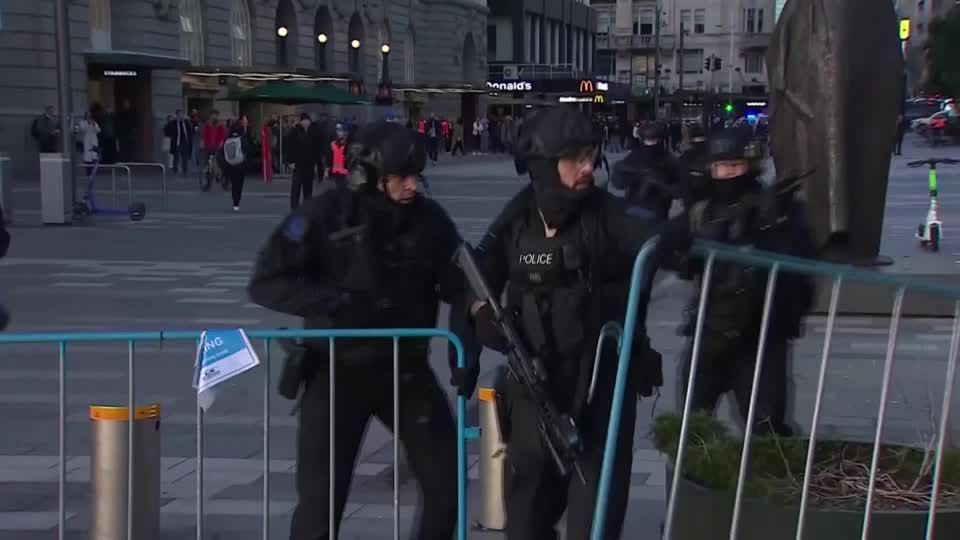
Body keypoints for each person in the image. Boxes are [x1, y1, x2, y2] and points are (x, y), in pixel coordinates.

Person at [459, 107, 687, 540]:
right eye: (574, 159)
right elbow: (476, 272)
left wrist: (688, 229)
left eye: (590, 156)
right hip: (534, 388)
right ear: (545, 165)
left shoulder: (605, 214)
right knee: (524, 520)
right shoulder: (520, 216)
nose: (587, 168)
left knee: (592, 521)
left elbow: (656, 239)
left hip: (598, 388)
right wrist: (480, 313)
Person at [248, 121, 472, 540]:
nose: (412, 187)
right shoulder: (324, 214)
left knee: (447, 480)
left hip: (404, 370)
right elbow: (265, 281)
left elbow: (460, 284)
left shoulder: (429, 220)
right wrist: (333, 301)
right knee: (319, 506)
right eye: (401, 178)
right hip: (336, 371)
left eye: (416, 176)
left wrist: (468, 336)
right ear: (368, 176)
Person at [678, 128, 817, 438]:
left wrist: (773, 226)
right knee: (693, 425)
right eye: (722, 167)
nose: (729, 174)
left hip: (761, 332)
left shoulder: (777, 206)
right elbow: (678, 260)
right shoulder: (701, 213)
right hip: (711, 328)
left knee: (766, 428)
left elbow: (804, 258)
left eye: (737, 166)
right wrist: (702, 244)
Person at [610, 121, 682, 223]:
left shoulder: (669, 160)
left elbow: (679, 190)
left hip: (658, 213)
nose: (650, 144)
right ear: (642, 140)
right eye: (647, 140)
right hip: (634, 211)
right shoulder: (634, 157)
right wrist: (627, 173)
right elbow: (618, 183)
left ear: (660, 139)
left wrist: (661, 184)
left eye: (653, 140)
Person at [286, 113, 322, 209]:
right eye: (304, 121)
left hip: (309, 165)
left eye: (307, 121)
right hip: (297, 165)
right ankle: (294, 209)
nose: (305, 123)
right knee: (295, 189)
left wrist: (318, 166)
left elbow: (317, 150)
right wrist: (290, 162)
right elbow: (289, 147)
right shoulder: (295, 131)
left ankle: (307, 209)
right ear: (301, 121)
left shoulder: (314, 132)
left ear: (310, 121)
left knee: (308, 190)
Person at [219, 124, 253, 212]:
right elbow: (248, 151)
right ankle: (237, 202)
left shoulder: (227, 139)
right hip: (240, 165)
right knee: (239, 185)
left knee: (234, 185)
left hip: (231, 165)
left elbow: (221, 153)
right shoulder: (242, 139)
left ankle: (235, 202)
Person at [676, 123, 710, 207]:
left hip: (691, 197)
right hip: (708, 196)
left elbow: (683, 179)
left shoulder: (685, 156)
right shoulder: (711, 153)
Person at [325, 123, 349, 189]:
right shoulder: (333, 143)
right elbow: (329, 157)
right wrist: (327, 170)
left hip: (346, 173)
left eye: (340, 130)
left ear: (345, 131)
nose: (338, 132)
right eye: (337, 130)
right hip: (336, 172)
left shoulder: (348, 143)